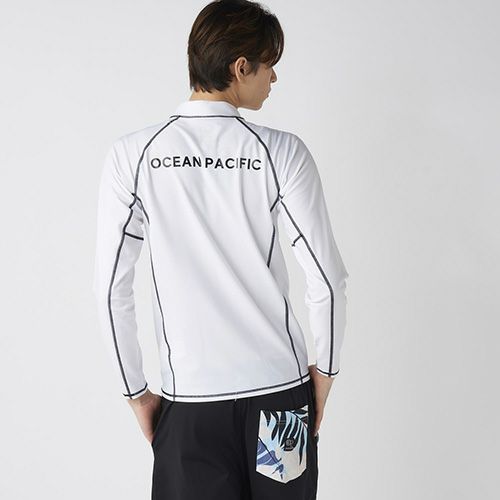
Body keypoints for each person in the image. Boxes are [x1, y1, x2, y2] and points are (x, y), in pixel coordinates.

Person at [92, 1, 349, 498]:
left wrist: (136, 392)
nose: (274, 77)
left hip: (191, 409)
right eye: (269, 64)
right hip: (280, 401)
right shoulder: (281, 152)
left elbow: (109, 291)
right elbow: (329, 280)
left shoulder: (134, 155)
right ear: (241, 67)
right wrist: (326, 373)